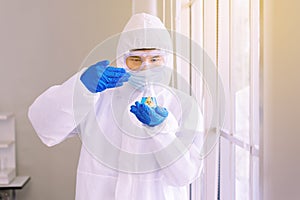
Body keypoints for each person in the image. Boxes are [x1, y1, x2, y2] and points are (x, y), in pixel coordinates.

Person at [28, 13, 204, 200]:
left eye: (154, 59)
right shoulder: (98, 99)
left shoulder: (183, 105)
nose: (146, 67)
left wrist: (162, 130)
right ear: (122, 59)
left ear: (166, 59)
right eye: (135, 59)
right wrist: (80, 88)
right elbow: (44, 126)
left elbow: (186, 175)